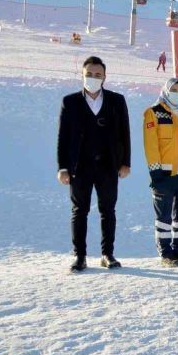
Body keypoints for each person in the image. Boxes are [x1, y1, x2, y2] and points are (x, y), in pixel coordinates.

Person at [57, 56, 131, 272]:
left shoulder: (117, 101)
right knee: (79, 210)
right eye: (89, 74)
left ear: (105, 77)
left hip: (108, 166)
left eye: (98, 75)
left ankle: (107, 254)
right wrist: (63, 167)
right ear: (82, 75)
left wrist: (125, 162)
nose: (93, 78)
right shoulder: (69, 102)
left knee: (108, 210)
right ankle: (80, 256)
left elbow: (124, 133)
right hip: (80, 167)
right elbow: (63, 137)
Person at [143, 78, 178, 267]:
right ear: (166, 90)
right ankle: (165, 252)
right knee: (164, 218)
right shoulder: (154, 113)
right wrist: (155, 172)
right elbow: (151, 145)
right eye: (174, 89)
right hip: (164, 175)